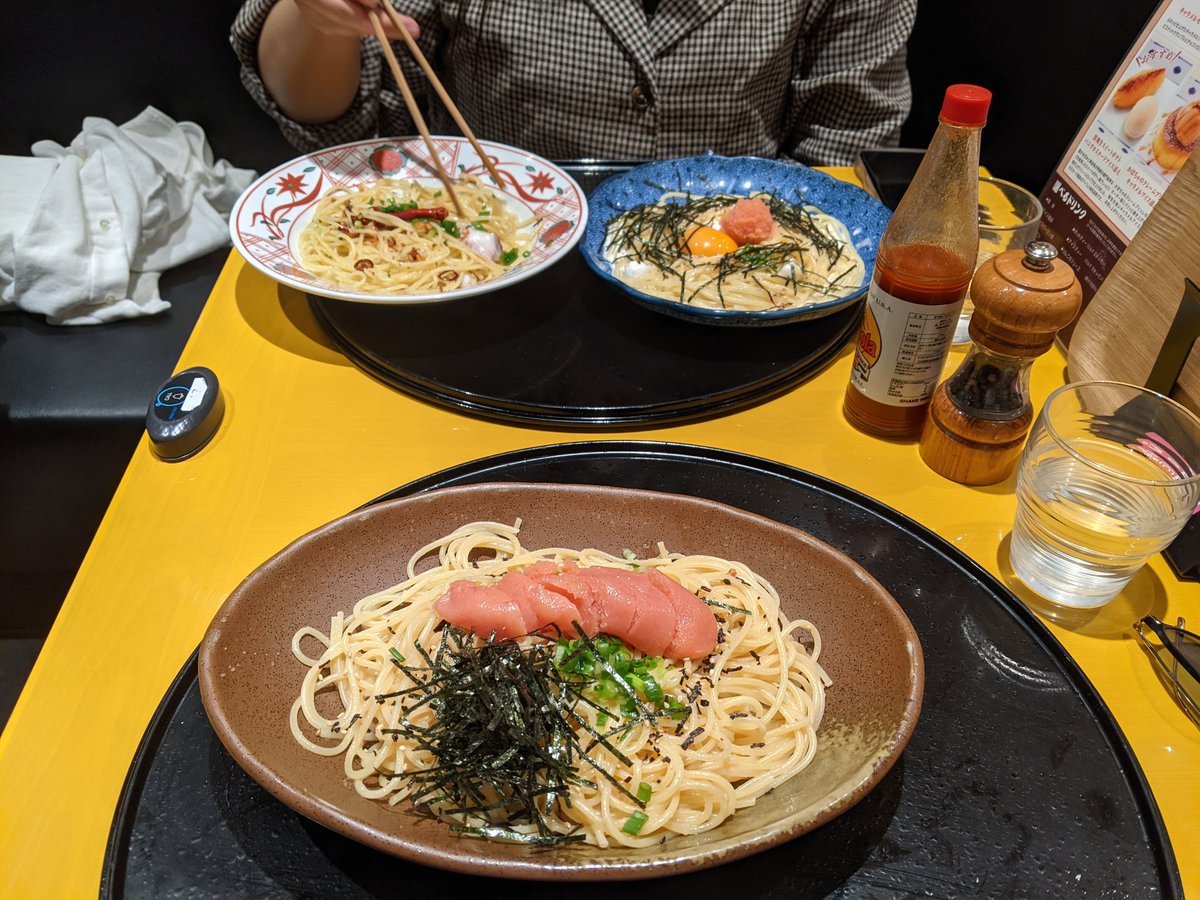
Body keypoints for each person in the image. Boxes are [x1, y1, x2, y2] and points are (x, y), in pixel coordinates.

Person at [232, 0, 915, 166]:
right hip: (484, 266)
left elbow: (847, 146)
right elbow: (336, 125)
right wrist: (315, 19)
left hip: (742, 294)